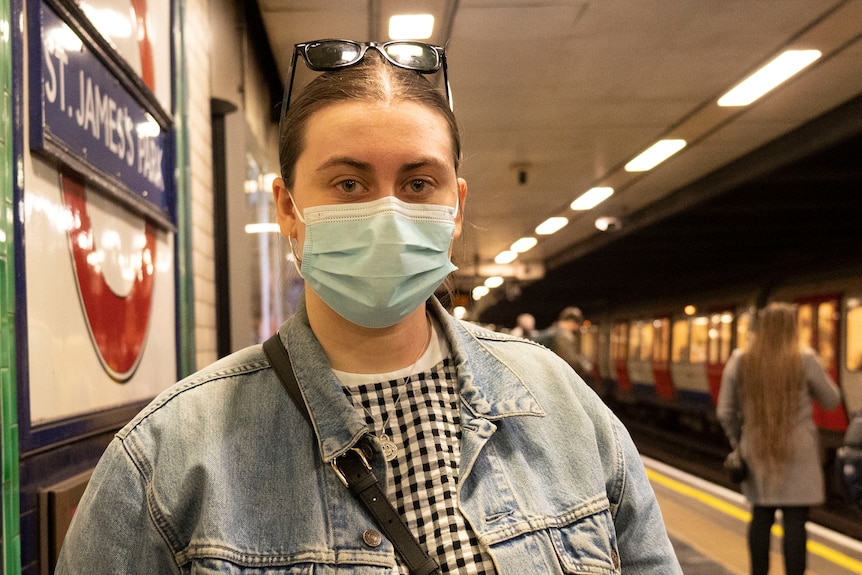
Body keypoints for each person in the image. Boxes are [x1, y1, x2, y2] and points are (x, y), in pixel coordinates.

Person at [56, 39, 682, 574]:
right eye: (349, 183)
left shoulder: (562, 406)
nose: (388, 213)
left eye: (418, 183)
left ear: (455, 206)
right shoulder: (165, 460)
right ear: (287, 209)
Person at [717, 302, 841, 575]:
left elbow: (725, 411)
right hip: (799, 450)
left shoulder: (741, 359)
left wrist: (740, 443)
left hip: (757, 447)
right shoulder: (805, 359)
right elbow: (832, 400)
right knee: (796, 522)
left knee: (761, 516)